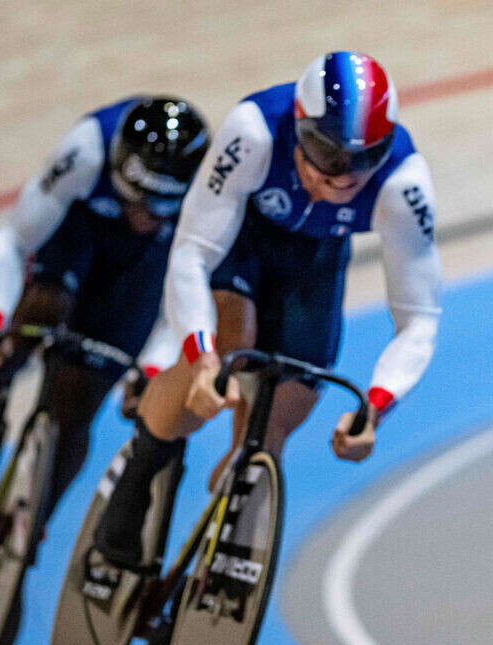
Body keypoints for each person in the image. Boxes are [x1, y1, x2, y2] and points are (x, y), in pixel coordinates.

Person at [93, 51, 442, 568]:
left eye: (361, 162)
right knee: (231, 346)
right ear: (299, 128)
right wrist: (202, 355)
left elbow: (419, 317)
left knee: (284, 408)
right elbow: (191, 252)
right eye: (327, 158)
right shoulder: (254, 131)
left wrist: (377, 405)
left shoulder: (403, 183)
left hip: (316, 262)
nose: (340, 182)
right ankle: (140, 472)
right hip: (243, 240)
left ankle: (226, 531)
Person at [0, 96, 209, 539]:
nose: (147, 217)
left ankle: (28, 527)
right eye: (140, 201)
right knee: (41, 311)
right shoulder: (87, 151)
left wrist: (150, 370)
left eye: (161, 208)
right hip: (79, 233)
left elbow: (183, 300)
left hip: (137, 269)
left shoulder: (206, 192)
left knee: (78, 407)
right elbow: (14, 241)